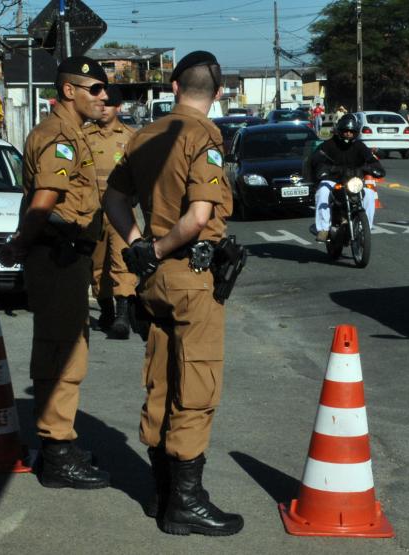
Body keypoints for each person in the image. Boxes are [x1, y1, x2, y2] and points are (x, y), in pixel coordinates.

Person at [103, 50, 243, 537]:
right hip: (189, 277)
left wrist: (139, 246)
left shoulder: (144, 134)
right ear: (218, 93)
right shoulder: (204, 135)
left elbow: (113, 198)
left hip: (154, 283)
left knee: (161, 377)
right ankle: (186, 502)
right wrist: (159, 248)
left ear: (175, 87)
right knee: (197, 386)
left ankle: (160, 492)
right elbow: (200, 216)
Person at [0, 56, 110, 489]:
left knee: (65, 349)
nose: (102, 96)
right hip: (57, 256)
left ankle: (60, 443)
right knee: (61, 354)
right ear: (68, 91)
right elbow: (46, 198)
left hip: (67, 258)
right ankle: (57, 451)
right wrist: (20, 244)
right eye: (94, 88)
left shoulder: (71, 133)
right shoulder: (58, 135)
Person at [84, 84, 138, 339]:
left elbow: (142, 174)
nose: (103, 108)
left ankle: (122, 316)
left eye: (109, 104)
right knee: (97, 264)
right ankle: (105, 310)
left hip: (121, 212)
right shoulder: (84, 136)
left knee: (122, 261)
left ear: (118, 107)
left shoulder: (130, 137)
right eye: (100, 103)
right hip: (92, 212)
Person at [310, 113, 385, 242]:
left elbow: (371, 160)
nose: (348, 134)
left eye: (351, 131)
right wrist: (323, 169)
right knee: (322, 192)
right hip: (333, 180)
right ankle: (324, 228)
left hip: (354, 182)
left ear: (356, 132)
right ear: (340, 130)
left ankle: (365, 227)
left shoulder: (360, 146)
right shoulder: (329, 145)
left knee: (369, 194)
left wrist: (374, 168)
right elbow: (316, 158)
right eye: (346, 131)